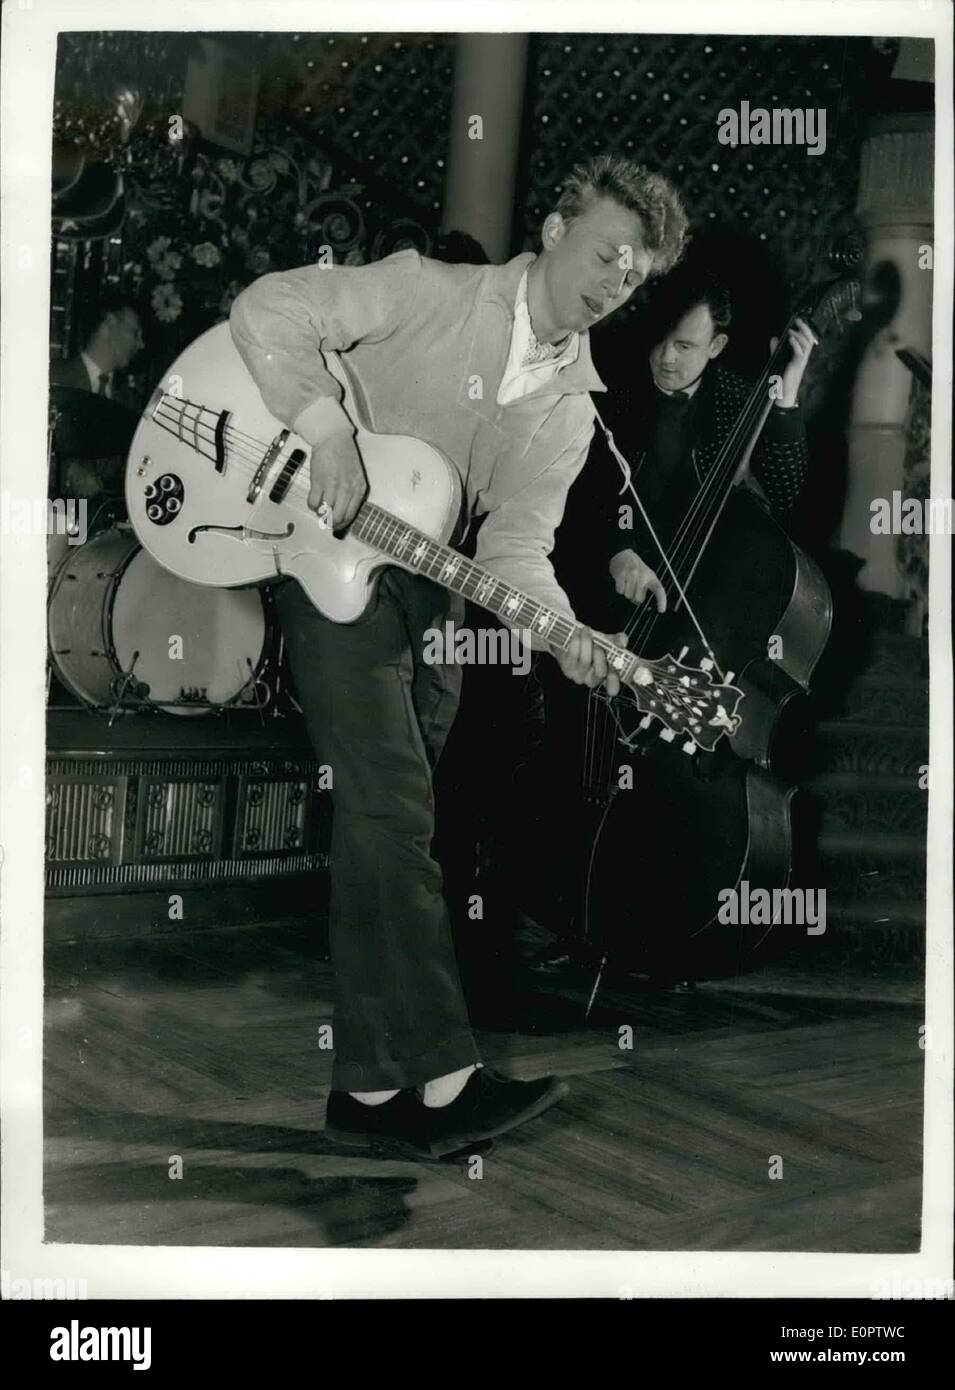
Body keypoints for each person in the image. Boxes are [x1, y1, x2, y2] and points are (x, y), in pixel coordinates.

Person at [228, 154, 689, 1158]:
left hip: (433, 596)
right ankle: (444, 1077)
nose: (617, 282)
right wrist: (324, 430)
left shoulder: (570, 411)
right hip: (329, 570)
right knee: (392, 814)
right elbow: (266, 309)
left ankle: (362, 1091)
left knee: (387, 833)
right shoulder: (425, 291)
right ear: (556, 226)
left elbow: (516, 547)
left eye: (636, 275)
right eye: (609, 253)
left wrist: (567, 637)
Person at [602, 275, 816, 612]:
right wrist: (618, 548)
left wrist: (785, 399)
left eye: (684, 346)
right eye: (662, 338)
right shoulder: (612, 387)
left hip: (700, 595)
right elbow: (584, 488)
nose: (665, 357)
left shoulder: (736, 400)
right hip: (608, 579)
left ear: (715, 346)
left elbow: (782, 493)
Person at [51, 292, 144, 402]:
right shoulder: (54, 377)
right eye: (135, 333)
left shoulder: (130, 400)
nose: (141, 344)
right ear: (110, 323)